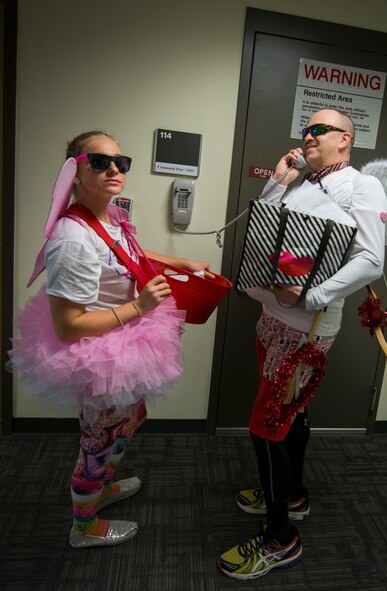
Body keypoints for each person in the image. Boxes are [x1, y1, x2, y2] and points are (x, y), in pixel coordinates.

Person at [8, 131, 212, 549]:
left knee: (132, 417)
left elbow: (127, 256)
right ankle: (82, 527)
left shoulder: (108, 217)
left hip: (124, 340)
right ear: (76, 170)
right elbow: (67, 326)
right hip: (99, 352)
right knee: (97, 443)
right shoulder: (72, 239)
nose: (114, 169)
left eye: (121, 161)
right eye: (100, 162)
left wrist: (178, 261)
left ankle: (100, 490)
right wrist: (139, 308)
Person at [217, 108, 387, 579]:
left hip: (305, 328)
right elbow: (266, 227)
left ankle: (280, 539)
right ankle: (292, 494)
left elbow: (372, 259)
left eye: (318, 130)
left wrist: (314, 295)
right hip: (272, 317)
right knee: (291, 414)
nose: (307, 136)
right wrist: (279, 179)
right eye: (305, 129)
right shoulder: (302, 181)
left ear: (345, 139)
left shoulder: (362, 186)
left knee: (266, 425)